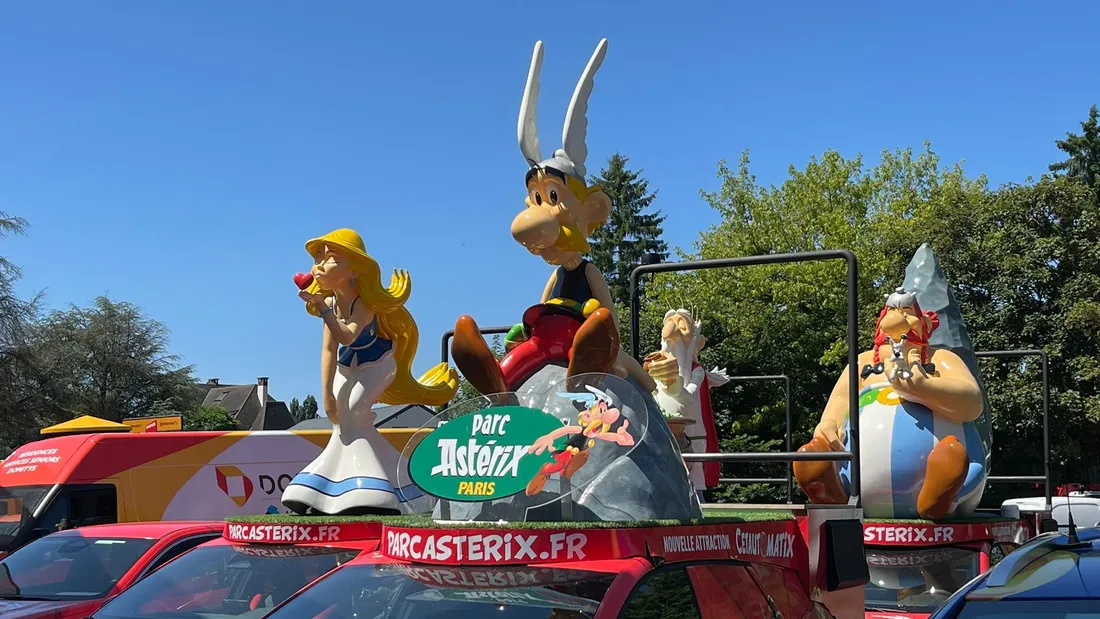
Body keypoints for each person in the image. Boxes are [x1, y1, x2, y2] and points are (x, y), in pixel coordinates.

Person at [281, 228, 458, 515]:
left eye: (330, 258)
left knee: (352, 411)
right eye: (318, 259)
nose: (319, 265)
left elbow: (347, 337)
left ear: (354, 269)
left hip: (377, 365)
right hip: (346, 365)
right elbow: (329, 351)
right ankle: (336, 484)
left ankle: (371, 487)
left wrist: (323, 310)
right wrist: (325, 393)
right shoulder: (330, 303)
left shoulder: (364, 305)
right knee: (341, 419)